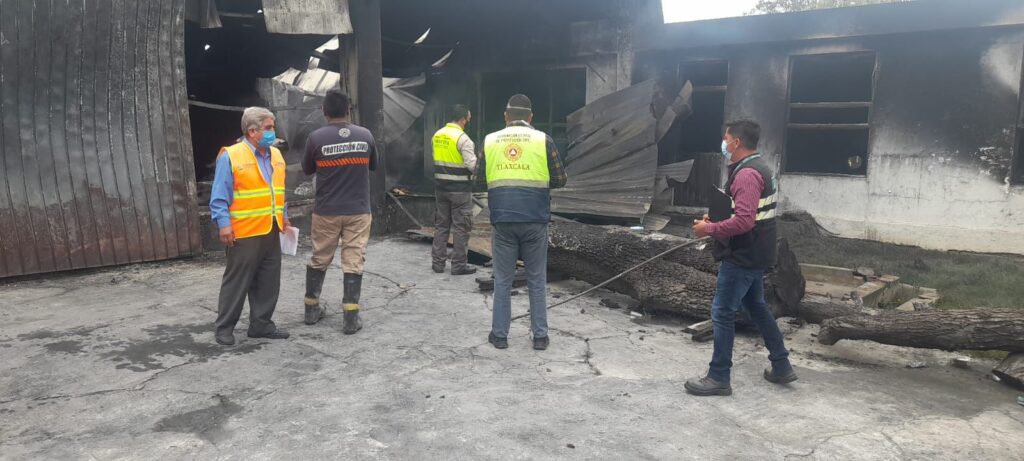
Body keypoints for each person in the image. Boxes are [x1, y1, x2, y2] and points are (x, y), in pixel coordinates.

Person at [686, 119, 796, 396]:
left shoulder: (747, 174)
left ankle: (718, 376)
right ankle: (781, 365)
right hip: (757, 251)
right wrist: (717, 218)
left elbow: (745, 221)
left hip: (743, 255)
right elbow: (746, 212)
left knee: (722, 312)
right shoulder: (760, 168)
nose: (723, 144)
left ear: (736, 142)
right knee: (756, 306)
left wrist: (708, 229)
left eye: (726, 139)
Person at [480, 94, 567, 351]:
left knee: (502, 280)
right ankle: (539, 337)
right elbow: (561, 179)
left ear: (505, 117)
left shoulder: (490, 140)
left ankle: (499, 336)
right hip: (535, 219)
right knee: (536, 279)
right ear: (531, 117)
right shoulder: (544, 140)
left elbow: (477, 180)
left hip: (503, 219)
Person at [210, 107, 291, 346]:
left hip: (271, 228)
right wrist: (224, 225)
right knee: (237, 281)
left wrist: (284, 215)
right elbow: (219, 196)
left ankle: (261, 324)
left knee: (268, 280)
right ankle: (224, 328)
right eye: (268, 127)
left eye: (273, 126)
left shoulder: (276, 155)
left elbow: (278, 190)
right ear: (252, 131)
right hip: (243, 231)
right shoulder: (231, 155)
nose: (273, 131)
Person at [301, 90, 378, 335]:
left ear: (324, 111)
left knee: (319, 257)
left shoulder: (315, 138)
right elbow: (373, 165)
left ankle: (311, 310)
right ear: (348, 110)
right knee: (353, 260)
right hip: (358, 210)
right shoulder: (365, 135)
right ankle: (350, 318)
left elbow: (307, 169)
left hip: (326, 211)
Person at [430, 104, 478, 275]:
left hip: (440, 189)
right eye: (468, 118)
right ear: (463, 119)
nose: (469, 121)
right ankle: (458, 266)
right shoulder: (464, 139)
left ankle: (438, 264)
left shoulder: (437, 135)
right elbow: (472, 166)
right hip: (460, 191)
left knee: (441, 226)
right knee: (461, 228)